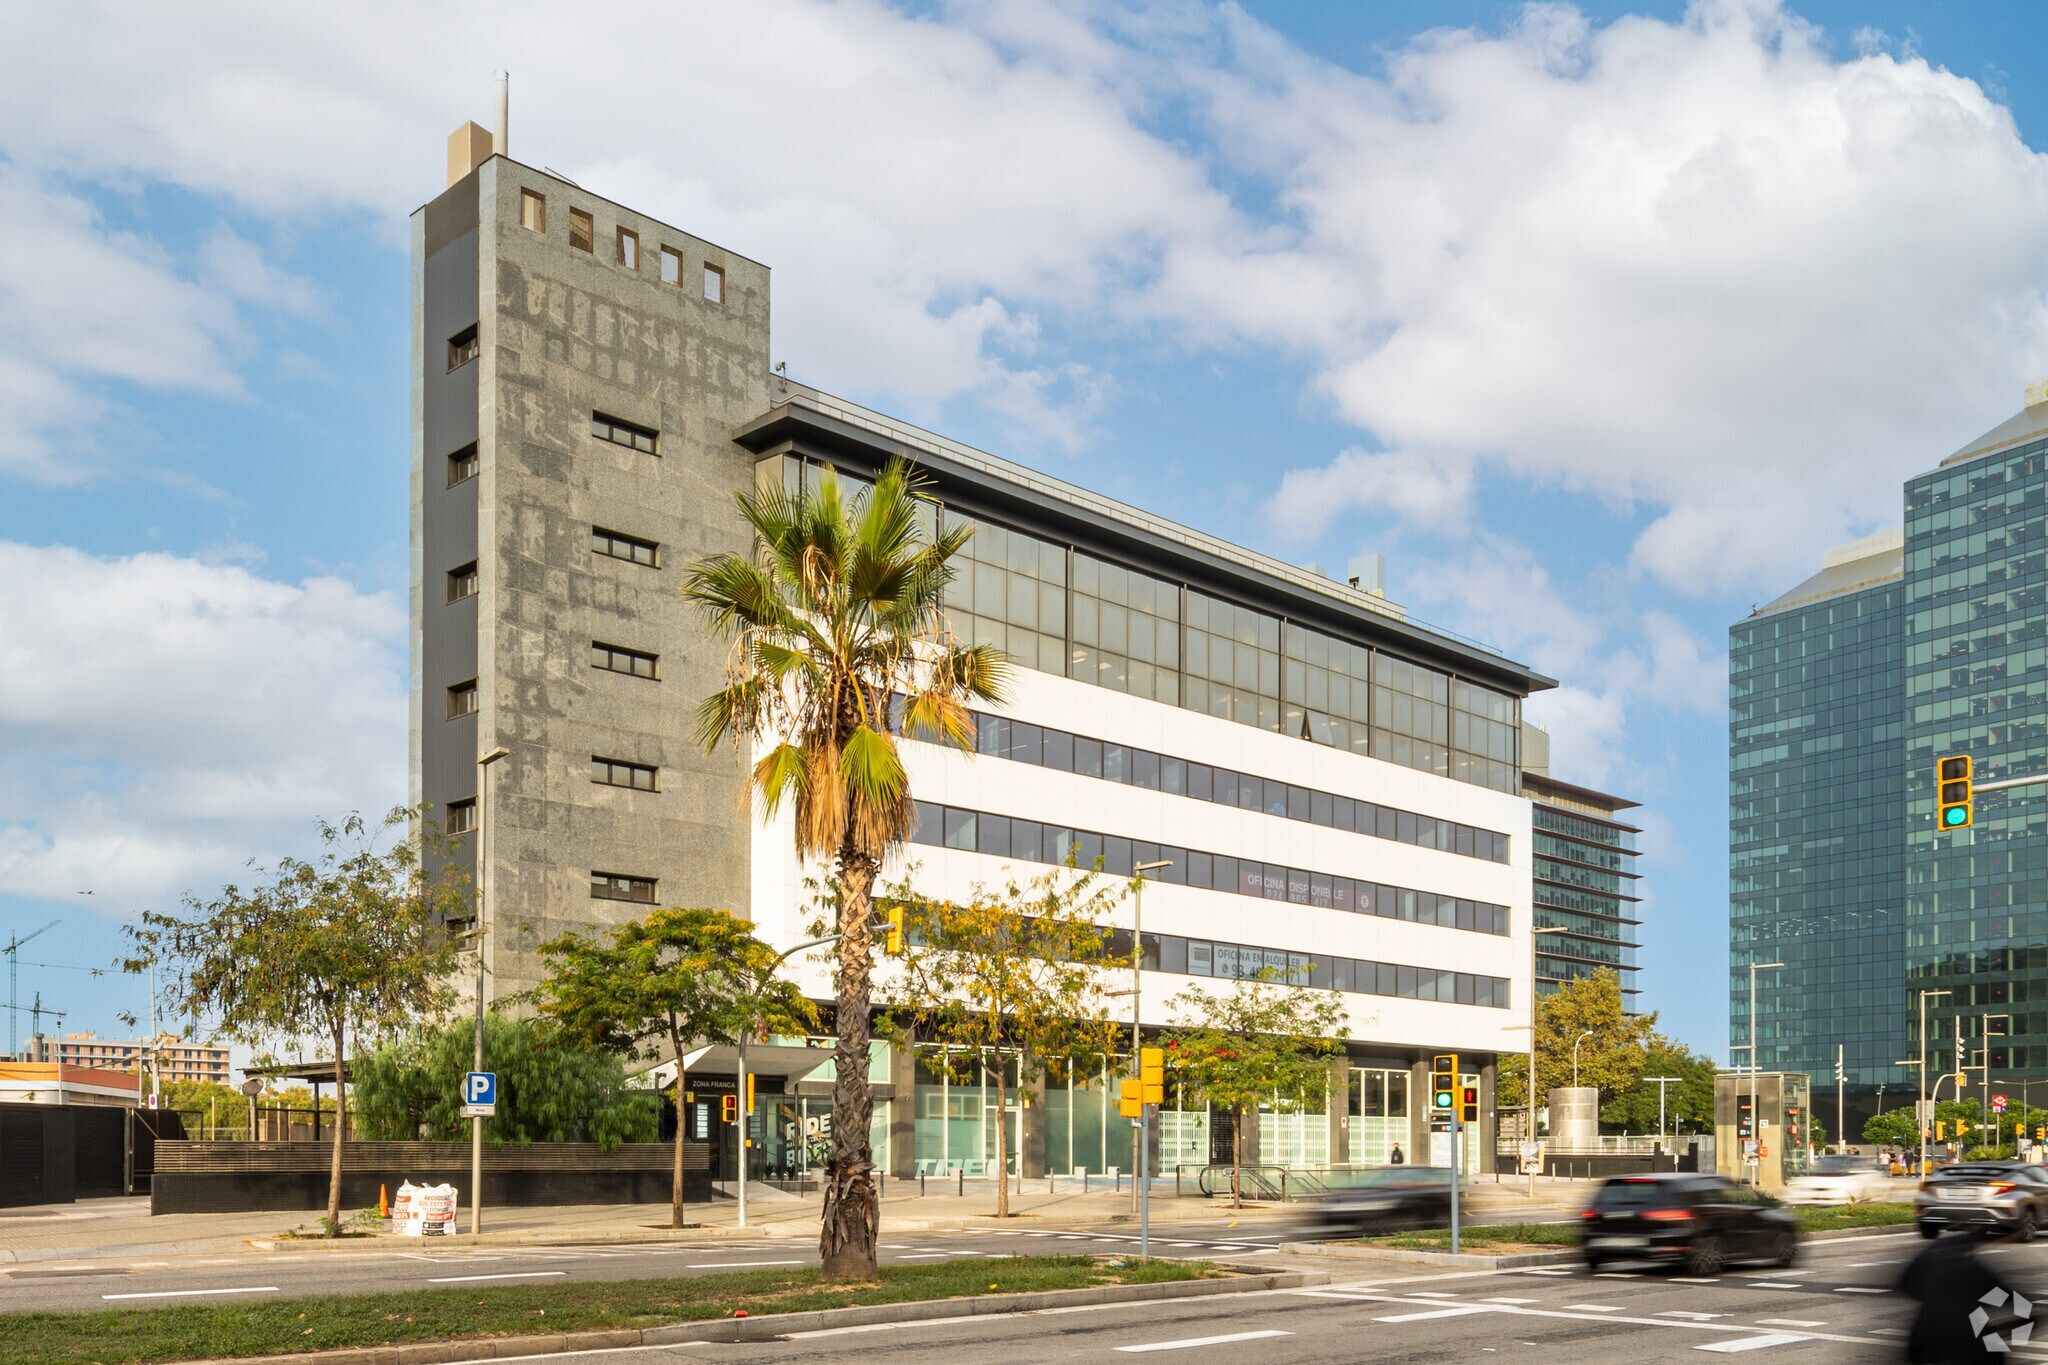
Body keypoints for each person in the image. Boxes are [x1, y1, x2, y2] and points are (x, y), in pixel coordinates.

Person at [1900, 1229, 2023, 1362]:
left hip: (1923, 1334)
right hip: (1963, 1333)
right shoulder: (1971, 1269)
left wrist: (1936, 1297)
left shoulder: (1929, 1260)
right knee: (1995, 1353)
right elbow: (2002, 1296)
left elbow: (1907, 1284)